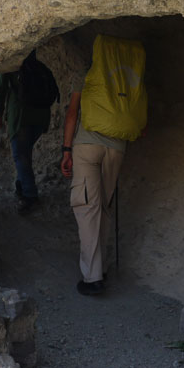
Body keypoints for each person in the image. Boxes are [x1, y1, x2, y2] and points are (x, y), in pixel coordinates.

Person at [61, 34, 146, 296]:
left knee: (87, 208)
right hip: (117, 148)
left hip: (87, 146)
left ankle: (92, 278)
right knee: (104, 208)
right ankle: (102, 267)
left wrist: (66, 149)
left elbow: (73, 113)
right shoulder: (123, 75)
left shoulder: (87, 75)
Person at [0, 51, 59, 214]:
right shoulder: (40, 68)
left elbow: (1, 88)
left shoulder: (11, 68)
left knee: (19, 155)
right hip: (41, 118)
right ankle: (21, 185)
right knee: (25, 153)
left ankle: (30, 195)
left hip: (21, 118)